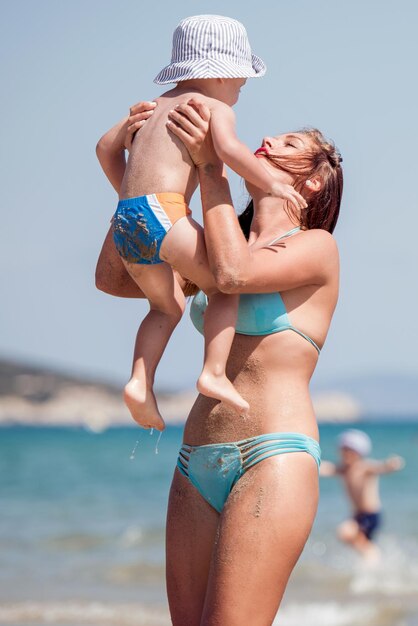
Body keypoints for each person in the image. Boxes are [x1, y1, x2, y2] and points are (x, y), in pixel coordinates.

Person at [95, 97, 343, 624]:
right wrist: (137, 171)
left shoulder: (317, 248)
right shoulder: (211, 246)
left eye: (290, 143)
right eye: (272, 137)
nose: (268, 142)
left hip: (272, 454)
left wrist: (211, 168)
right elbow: (113, 279)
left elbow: (234, 276)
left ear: (314, 181)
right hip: (195, 459)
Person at [96, 14, 307, 431]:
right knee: (223, 285)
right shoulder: (210, 108)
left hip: (127, 218)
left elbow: (105, 149)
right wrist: (271, 183)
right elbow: (230, 150)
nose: (239, 93)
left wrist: (132, 196)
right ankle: (213, 372)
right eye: (240, 84)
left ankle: (141, 381)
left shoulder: (149, 109)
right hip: (165, 211)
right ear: (222, 73)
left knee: (166, 305)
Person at [320, 428, 405, 561]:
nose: (346, 454)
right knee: (354, 539)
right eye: (343, 450)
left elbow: (380, 467)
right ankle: (372, 559)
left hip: (370, 515)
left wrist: (390, 465)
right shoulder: (343, 470)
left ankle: (373, 556)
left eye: (349, 451)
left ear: (359, 453)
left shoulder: (364, 467)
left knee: (346, 532)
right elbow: (325, 468)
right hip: (358, 516)